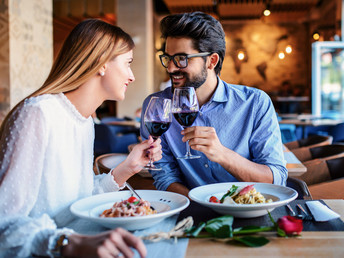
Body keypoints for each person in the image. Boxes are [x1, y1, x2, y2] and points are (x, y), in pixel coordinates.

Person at [0, 19, 162, 257]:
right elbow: (5, 224)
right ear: (101, 63)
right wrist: (68, 243)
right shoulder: (38, 113)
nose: (132, 76)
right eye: (128, 64)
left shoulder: (85, 121)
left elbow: (77, 202)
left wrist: (127, 168)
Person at [140, 12, 287, 197]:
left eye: (181, 59)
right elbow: (165, 177)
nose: (170, 68)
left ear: (212, 61)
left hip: (249, 211)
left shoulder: (255, 103)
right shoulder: (157, 107)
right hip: (191, 212)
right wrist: (202, 205)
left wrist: (221, 154)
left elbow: (277, 178)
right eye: (168, 58)